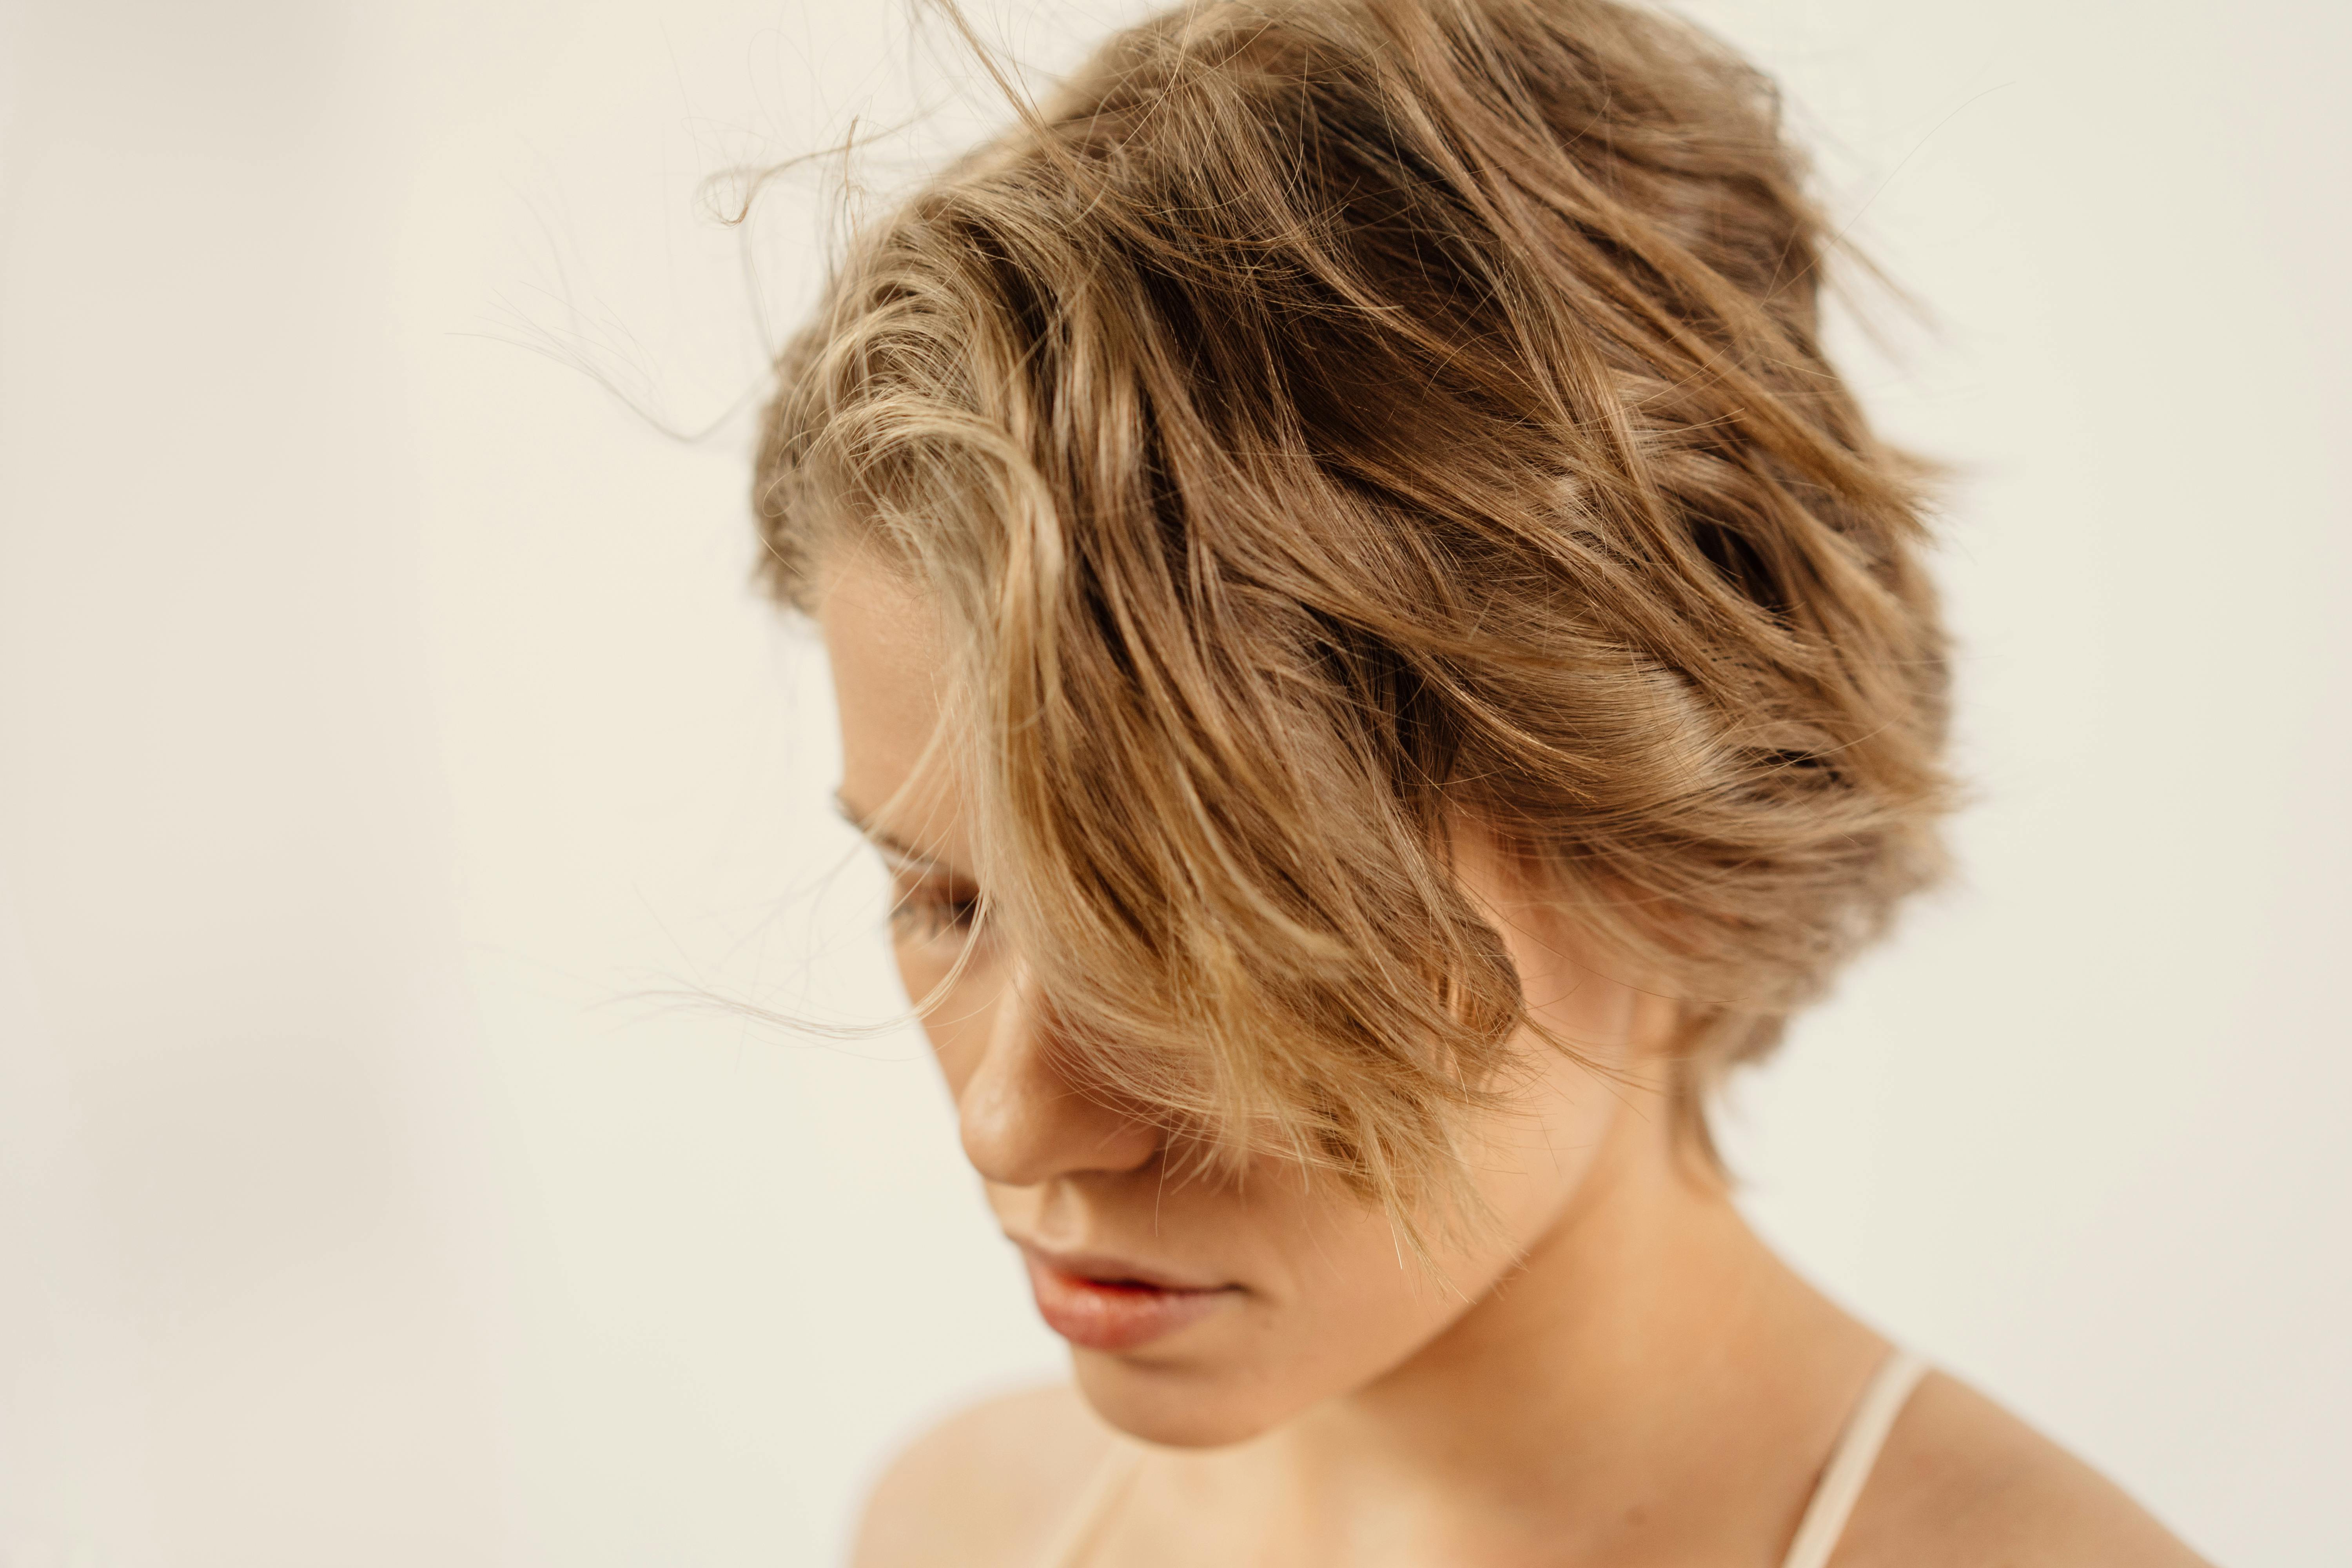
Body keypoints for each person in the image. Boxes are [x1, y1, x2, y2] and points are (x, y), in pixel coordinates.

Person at [752, 1, 2207, 1562]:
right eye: (938, 897)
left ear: (1678, 840)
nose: (1009, 1122)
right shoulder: (957, 1524)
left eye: (1183, 929)